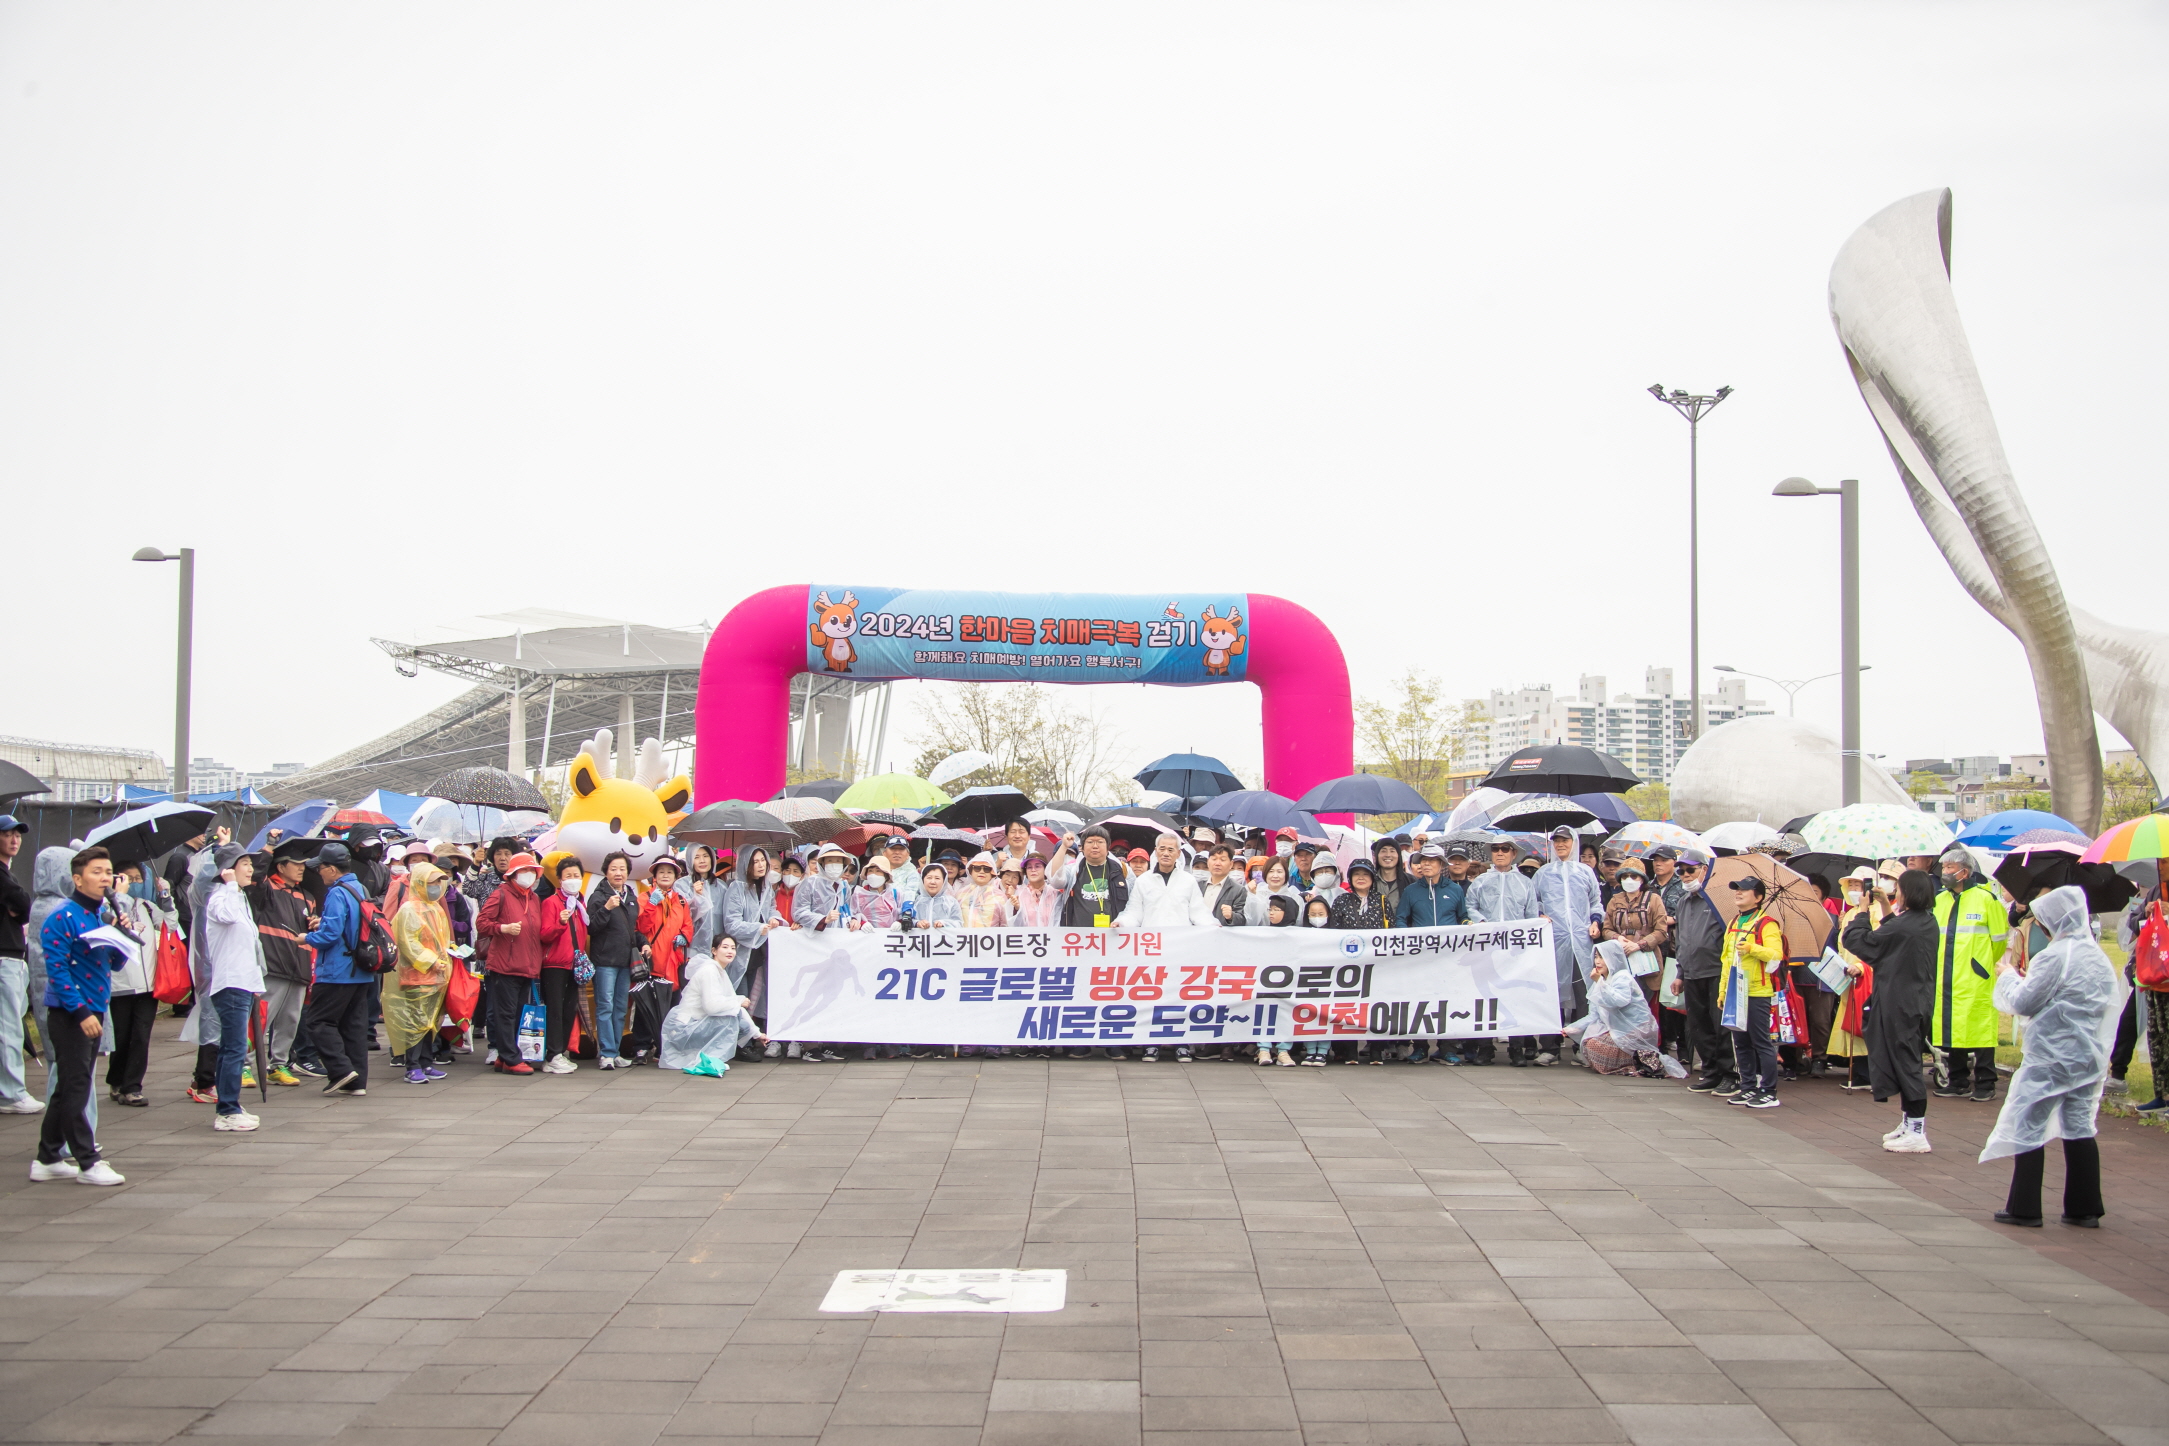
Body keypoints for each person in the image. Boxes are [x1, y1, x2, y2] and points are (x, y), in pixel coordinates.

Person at [1982, 885, 2117, 1228]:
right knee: (2079, 1125)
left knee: (2029, 1121)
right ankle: (2085, 1208)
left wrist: (2008, 977)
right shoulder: (2097, 956)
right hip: (2088, 1055)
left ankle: (2024, 1206)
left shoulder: (2054, 956)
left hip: (2051, 1054)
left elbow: (2024, 1001)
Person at [29, 846, 128, 1183]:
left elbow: (115, 963)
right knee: (76, 1088)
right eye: (96, 872)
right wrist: (82, 1012)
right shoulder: (62, 917)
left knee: (70, 1087)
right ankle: (88, 1161)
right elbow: (56, 971)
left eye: (108, 872)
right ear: (77, 879)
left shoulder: (100, 916)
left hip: (95, 1008)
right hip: (70, 1013)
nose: (105, 878)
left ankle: (47, 1158)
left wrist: (121, 934)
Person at [1843, 868, 1940, 1152]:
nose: (1896, 893)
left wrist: (1862, 912)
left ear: (1908, 893)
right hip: (1915, 1000)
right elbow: (1893, 934)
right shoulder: (1926, 921)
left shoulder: (1906, 925)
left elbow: (1859, 941)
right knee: (1905, 1061)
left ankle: (1917, 1131)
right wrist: (1885, 906)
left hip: (1901, 1003)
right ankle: (1910, 1122)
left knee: (1907, 1065)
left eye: (1899, 889)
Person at [1117, 834, 1212, 1061]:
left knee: (1180, 996)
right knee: (1153, 997)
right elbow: (1134, 911)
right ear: (1156, 851)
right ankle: (1151, 1044)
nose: (1166, 853)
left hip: (1181, 949)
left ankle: (1181, 1044)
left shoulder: (1188, 881)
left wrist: (1213, 926)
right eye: (1162, 849)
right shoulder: (1144, 881)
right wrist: (1122, 922)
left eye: (1171, 849)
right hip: (1151, 949)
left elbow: (1198, 911)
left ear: (1179, 853)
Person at [1931, 846, 2009, 1102]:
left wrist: (1981, 964)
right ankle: (1958, 1080)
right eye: (1944, 867)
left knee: (1980, 1027)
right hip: (1946, 975)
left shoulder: (1986, 899)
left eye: (1950, 868)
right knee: (1952, 1028)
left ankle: (1986, 1082)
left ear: (1964, 872)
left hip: (1975, 976)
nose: (1945, 872)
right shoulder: (1940, 900)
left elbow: (1999, 940)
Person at [199, 846, 267, 1130]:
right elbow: (226, 916)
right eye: (245, 864)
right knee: (235, 1048)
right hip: (230, 983)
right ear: (228, 869)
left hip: (243, 983)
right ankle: (227, 1110)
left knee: (233, 1047)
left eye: (251, 864)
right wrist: (228, 885)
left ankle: (230, 1105)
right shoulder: (220, 897)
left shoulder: (238, 897)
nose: (250, 869)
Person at [301, 843, 374, 1097]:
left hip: (337, 970)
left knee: (318, 1021)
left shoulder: (336, 892)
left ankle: (341, 1070)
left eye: (320, 868)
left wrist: (306, 938)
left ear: (332, 869)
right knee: (354, 1026)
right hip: (362, 968)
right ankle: (357, 1082)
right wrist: (324, 924)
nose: (318, 873)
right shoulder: (359, 888)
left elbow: (330, 935)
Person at [247, 843, 316, 1087]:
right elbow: (255, 878)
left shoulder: (307, 896)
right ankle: (244, 1064)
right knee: (261, 1019)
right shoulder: (267, 889)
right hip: (273, 965)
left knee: (290, 1021)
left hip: (299, 967)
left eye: (303, 864)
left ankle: (279, 1065)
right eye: (296, 864)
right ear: (281, 866)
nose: (301, 868)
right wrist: (267, 849)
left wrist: (315, 923)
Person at [1533, 827, 1601, 1067]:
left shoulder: (1585, 872)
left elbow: (1596, 901)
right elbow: (1533, 901)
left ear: (1574, 843)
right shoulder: (1543, 873)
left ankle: (1582, 1046)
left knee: (1584, 994)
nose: (1561, 845)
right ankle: (1549, 1047)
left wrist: (1595, 922)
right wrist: (1539, 914)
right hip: (1553, 941)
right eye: (1557, 841)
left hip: (1581, 942)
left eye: (1565, 840)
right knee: (1552, 994)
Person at [102, 864, 168, 1108]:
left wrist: (166, 897)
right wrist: (118, 898)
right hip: (120, 984)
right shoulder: (106, 907)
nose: (133, 883)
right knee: (121, 1036)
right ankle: (116, 1080)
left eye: (138, 878)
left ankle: (132, 1087)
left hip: (148, 984)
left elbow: (171, 926)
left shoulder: (147, 907)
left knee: (140, 1036)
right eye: (127, 878)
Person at [1566, 941, 1682, 1078]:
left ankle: (1635, 1061)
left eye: (1602, 957)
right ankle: (1631, 1060)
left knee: (1594, 1045)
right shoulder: (1602, 980)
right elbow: (1594, 1015)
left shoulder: (1622, 977)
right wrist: (1571, 1028)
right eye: (1596, 957)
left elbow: (1619, 1001)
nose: (1598, 961)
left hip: (1636, 1028)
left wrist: (1600, 983)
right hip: (1618, 1028)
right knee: (1588, 1042)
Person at [386, 858, 455, 1087]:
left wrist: (450, 952)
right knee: (416, 1021)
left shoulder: (435, 908)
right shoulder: (409, 909)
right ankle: (412, 1066)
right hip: (416, 975)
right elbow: (408, 942)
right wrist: (431, 961)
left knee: (430, 1021)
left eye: (439, 882)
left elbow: (441, 940)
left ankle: (425, 1061)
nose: (436, 887)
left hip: (436, 974)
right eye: (431, 882)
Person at [476, 852, 546, 1075]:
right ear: (514, 874)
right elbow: (482, 923)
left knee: (517, 1014)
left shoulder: (533, 898)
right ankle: (510, 1057)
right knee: (505, 1014)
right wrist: (502, 928)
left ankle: (506, 1056)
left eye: (532, 871)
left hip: (527, 965)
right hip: (505, 965)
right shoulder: (501, 894)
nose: (529, 874)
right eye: (524, 870)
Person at [1719, 874, 1785, 1109]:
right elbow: (1726, 960)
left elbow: (1776, 955)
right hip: (1735, 992)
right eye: (1737, 889)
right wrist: (1722, 991)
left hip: (1758, 991)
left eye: (1744, 890)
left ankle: (1768, 1090)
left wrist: (1752, 948)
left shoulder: (1767, 923)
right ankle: (1747, 1087)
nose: (1738, 893)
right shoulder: (1733, 922)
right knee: (1741, 1042)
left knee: (1761, 1042)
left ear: (1758, 897)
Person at [1672, 859, 1732, 1094]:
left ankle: (1729, 1073)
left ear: (1704, 870)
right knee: (1699, 1025)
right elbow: (1681, 939)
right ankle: (1711, 1071)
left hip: (1716, 970)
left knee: (1721, 1025)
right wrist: (1680, 973)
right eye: (1681, 871)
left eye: (1690, 870)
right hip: (1691, 971)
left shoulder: (1719, 899)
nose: (1685, 875)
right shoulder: (1683, 902)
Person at [2115, 858, 2169, 1113]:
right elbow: (2133, 923)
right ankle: (2162, 1093)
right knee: (2157, 1036)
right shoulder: (2157, 890)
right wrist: (2147, 913)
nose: (2161, 867)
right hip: (2152, 975)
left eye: (2165, 862)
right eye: (2159, 861)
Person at [1824, 865, 1884, 1088]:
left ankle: (1869, 1074)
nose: (1854, 889)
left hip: (1867, 976)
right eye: (1851, 885)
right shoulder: (1850, 913)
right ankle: (1859, 1071)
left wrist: (1861, 966)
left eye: (1858, 885)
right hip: (1849, 977)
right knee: (1852, 1022)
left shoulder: (1877, 912)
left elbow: (1878, 945)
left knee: (1865, 1022)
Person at [659, 948, 763, 1075]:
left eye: (733, 948)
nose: (730, 951)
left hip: (697, 1023)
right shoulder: (709, 971)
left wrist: (757, 1034)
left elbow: (736, 1007)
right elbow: (711, 1006)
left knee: (743, 1024)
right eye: (725, 947)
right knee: (728, 1019)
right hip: (685, 1028)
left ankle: (708, 1056)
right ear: (714, 951)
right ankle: (711, 1059)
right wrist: (738, 1001)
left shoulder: (720, 971)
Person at [584, 852, 639, 1069]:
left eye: (622, 869)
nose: (618, 873)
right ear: (606, 872)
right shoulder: (598, 896)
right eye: (614, 869)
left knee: (620, 1008)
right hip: (605, 960)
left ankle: (615, 1051)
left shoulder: (630, 896)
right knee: (605, 1006)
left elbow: (632, 929)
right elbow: (591, 927)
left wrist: (643, 943)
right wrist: (606, 908)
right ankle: (606, 1053)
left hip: (625, 961)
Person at [0, 814, 39, 1116]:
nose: (14, 840)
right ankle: (11, 1093)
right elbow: (24, 904)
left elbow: (22, 907)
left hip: (11, 956)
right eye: (7, 834)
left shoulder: (7, 873)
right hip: (6, 957)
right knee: (9, 1027)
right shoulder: (3, 876)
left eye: (18, 835)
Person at [537, 856, 587, 1074]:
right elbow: (544, 934)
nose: (573, 879)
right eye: (568, 876)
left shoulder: (580, 903)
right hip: (555, 964)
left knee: (568, 1009)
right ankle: (552, 1053)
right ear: (559, 879)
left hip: (574, 964)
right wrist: (560, 923)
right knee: (555, 1010)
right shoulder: (551, 902)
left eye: (576, 875)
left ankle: (560, 1051)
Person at [1600, 859, 1671, 1007]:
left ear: (1642, 879)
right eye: (1625, 877)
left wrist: (1639, 945)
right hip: (1621, 958)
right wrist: (1618, 938)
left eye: (1633, 876)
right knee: (1621, 1003)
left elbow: (1661, 931)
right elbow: (1606, 930)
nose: (1629, 880)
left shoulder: (1654, 899)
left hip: (1647, 961)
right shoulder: (1615, 900)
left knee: (1645, 1007)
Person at [637, 856, 695, 990]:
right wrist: (651, 904)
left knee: (673, 1000)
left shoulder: (681, 900)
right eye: (661, 871)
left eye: (669, 872)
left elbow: (688, 925)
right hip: (651, 961)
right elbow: (641, 928)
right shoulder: (644, 898)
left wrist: (684, 936)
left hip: (674, 962)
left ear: (675, 877)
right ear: (655, 876)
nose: (665, 875)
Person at [1061, 827, 1129, 929]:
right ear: (1082, 848)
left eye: (1100, 842)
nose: (1095, 846)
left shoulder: (1123, 870)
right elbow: (1055, 880)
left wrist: (1123, 922)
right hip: (1079, 935)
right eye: (1090, 842)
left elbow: (1132, 904)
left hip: (1113, 934)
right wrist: (1063, 847)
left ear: (1108, 847)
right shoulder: (1073, 870)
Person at [1199, 845, 1248, 929]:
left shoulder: (1238, 890)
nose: (1217, 863)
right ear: (1208, 862)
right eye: (1214, 859)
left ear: (1231, 864)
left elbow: (1242, 919)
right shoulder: (1198, 886)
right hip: (1198, 932)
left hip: (1222, 935)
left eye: (1222, 860)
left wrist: (1231, 916)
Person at [1013, 852, 1066, 929]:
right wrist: (1017, 909)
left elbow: (1058, 921)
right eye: (1029, 867)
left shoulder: (1055, 894)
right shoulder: (1019, 894)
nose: (1033, 870)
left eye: (1037, 866)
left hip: (1051, 936)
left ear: (1045, 869)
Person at [1372, 839, 1407, 921]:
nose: (1388, 855)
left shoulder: (1410, 881)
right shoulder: (1370, 881)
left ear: (1398, 855)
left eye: (1392, 851)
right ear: (1377, 855)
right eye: (1383, 851)